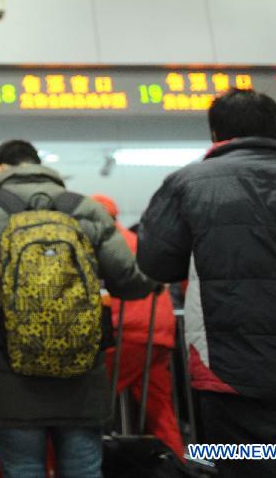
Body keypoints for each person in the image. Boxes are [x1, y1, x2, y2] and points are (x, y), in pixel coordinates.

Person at [137, 89, 276, 478]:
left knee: (246, 468)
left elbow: (156, 262)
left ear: (215, 132)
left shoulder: (189, 185)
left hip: (233, 376)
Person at [0, 140, 157, 478]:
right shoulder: (86, 208)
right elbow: (128, 280)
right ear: (39, 164)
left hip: (9, 370)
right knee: (83, 468)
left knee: (23, 467)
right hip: (81, 368)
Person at [90, 194, 183, 459]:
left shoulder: (101, 242)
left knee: (89, 405)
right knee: (160, 409)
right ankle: (176, 466)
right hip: (160, 332)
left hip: (127, 333)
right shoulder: (134, 240)